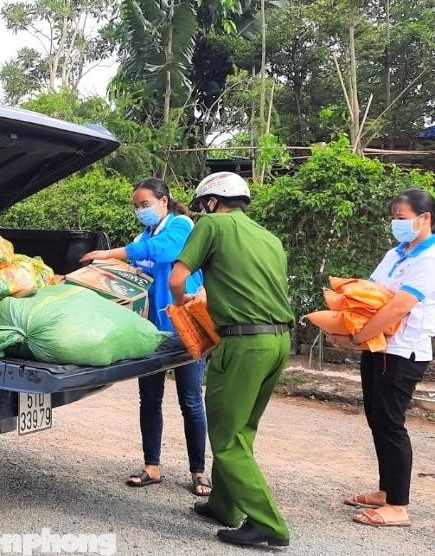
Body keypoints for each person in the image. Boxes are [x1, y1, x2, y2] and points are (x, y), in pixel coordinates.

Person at [169, 172, 294, 548]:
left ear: (211, 201)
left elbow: (178, 280)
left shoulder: (212, 224)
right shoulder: (268, 237)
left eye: (202, 204)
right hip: (279, 342)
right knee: (242, 428)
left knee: (225, 435)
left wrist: (183, 312)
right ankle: (224, 505)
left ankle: (269, 525)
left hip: (241, 344)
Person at [79, 177, 211, 496]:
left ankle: (199, 471)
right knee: (149, 399)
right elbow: (138, 277)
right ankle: (152, 465)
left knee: (191, 400)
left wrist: (113, 251)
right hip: (150, 332)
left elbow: (164, 251)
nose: (140, 211)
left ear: (164, 201)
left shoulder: (182, 226)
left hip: (184, 327)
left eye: (145, 204)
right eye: (137, 207)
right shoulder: (143, 236)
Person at [328, 189, 435, 528]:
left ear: (425, 218)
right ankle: (387, 490)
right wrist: (347, 328)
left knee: (391, 423)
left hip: (404, 351)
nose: (396, 224)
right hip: (378, 347)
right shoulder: (396, 253)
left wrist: (357, 337)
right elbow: (368, 294)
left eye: (402, 218)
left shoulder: (430, 259)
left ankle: (398, 506)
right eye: (394, 218)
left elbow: (398, 306)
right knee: (377, 419)